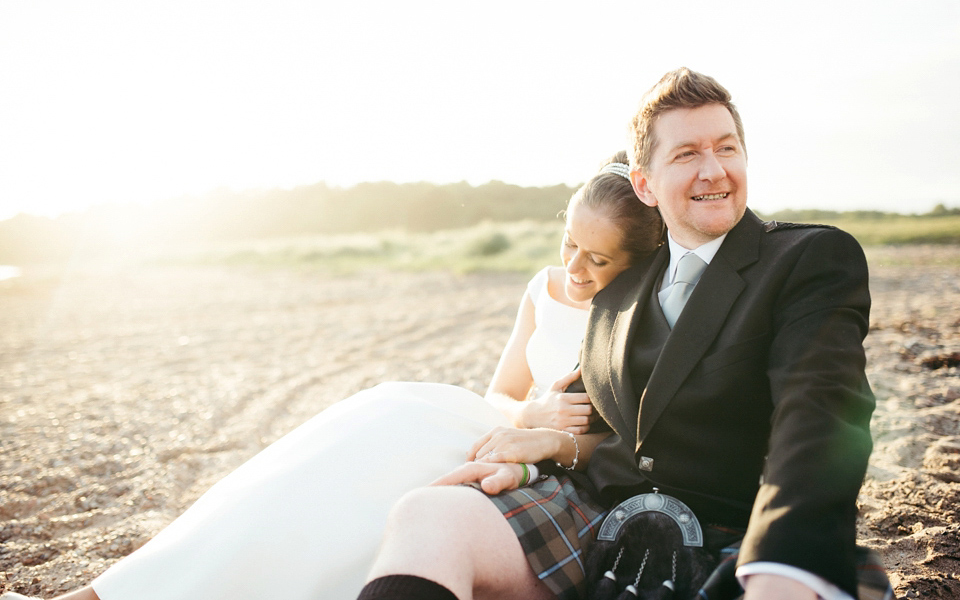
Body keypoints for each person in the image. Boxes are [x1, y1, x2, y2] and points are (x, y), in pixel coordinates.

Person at [1, 153, 664, 600]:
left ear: (636, 263)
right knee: (349, 436)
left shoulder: (642, 316)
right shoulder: (544, 288)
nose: (574, 269)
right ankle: (116, 588)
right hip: (485, 423)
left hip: (543, 473)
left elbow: (640, 450)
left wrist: (551, 438)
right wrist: (525, 416)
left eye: (596, 258)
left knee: (369, 492)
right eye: (567, 245)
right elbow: (500, 391)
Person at [355, 68, 890, 600]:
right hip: (594, 512)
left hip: (734, 531)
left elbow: (819, 410)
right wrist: (546, 449)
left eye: (727, 148)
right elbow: (607, 426)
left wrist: (785, 564)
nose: (714, 171)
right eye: (686, 155)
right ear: (644, 184)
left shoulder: (807, 258)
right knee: (428, 515)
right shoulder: (617, 286)